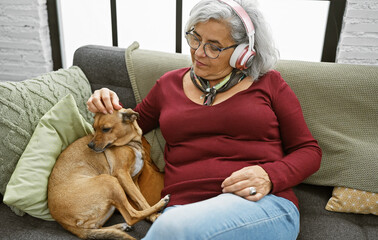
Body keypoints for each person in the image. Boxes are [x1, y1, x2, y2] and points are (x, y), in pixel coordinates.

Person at [87, 0, 322, 239]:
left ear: (243, 53)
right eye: (195, 38)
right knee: (174, 225)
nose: (198, 52)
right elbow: (129, 128)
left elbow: (309, 151)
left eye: (214, 47)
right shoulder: (168, 85)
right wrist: (104, 103)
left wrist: (270, 176)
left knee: (171, 228)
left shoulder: (270, 84)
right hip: (182, 210)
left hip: (259, 205)